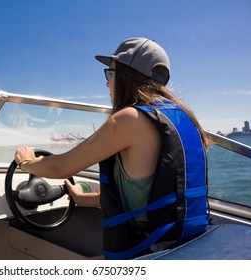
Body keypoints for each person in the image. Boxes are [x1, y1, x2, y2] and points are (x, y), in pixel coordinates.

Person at [15, 38, 210, 259]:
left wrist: (26, 161)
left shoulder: (129, 119)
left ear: (127, 74)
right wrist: (82, 198)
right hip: (186, 241)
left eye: (110, 73)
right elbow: (150, 198)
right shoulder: (183, 118)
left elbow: (59, 168)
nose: (107, 83)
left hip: (153, 248)